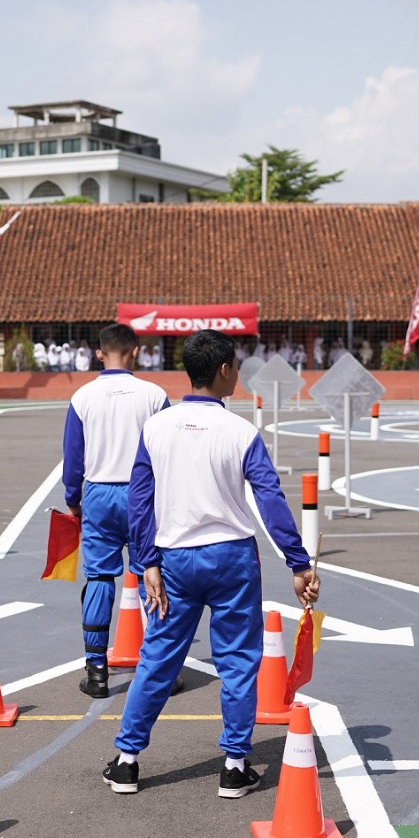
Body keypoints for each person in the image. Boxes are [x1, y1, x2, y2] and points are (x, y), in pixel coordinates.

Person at [103, 329, 319, 798]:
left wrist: (146, 563)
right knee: (239, 662)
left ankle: (127, 762)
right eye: (237, 366)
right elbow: (269, 498)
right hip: (232, 558)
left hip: (173, 559)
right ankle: (235, 766)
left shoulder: (157, 427)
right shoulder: (241, 432)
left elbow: (140, 501)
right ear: (224, 371)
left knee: (157, 659)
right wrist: (298, 562)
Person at [64, 324, 172, 699]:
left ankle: (96, 672)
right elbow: (169, 452)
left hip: (98, 493)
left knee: (98, 579)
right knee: (152, 576)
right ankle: (162, 672)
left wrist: (73, 499)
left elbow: (73, 458)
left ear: (98, 354)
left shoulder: (82, 397)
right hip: (143, 495)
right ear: (136, 352)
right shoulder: (155, 395)